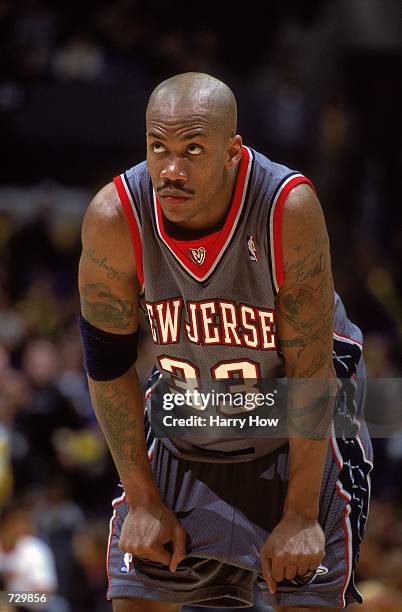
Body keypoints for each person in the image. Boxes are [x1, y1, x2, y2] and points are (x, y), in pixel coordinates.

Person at [78, 72, 373, 611]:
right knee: (135, 597)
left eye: (193, 150)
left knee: (305, 595)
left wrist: (302, 515)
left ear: (233, 153)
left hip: (300, 427)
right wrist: (143, 499)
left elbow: (313, 371)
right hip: (190, 421)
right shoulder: (115, 217)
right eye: (158, 148)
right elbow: (106, 363)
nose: (171, 170)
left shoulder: (287, 208)